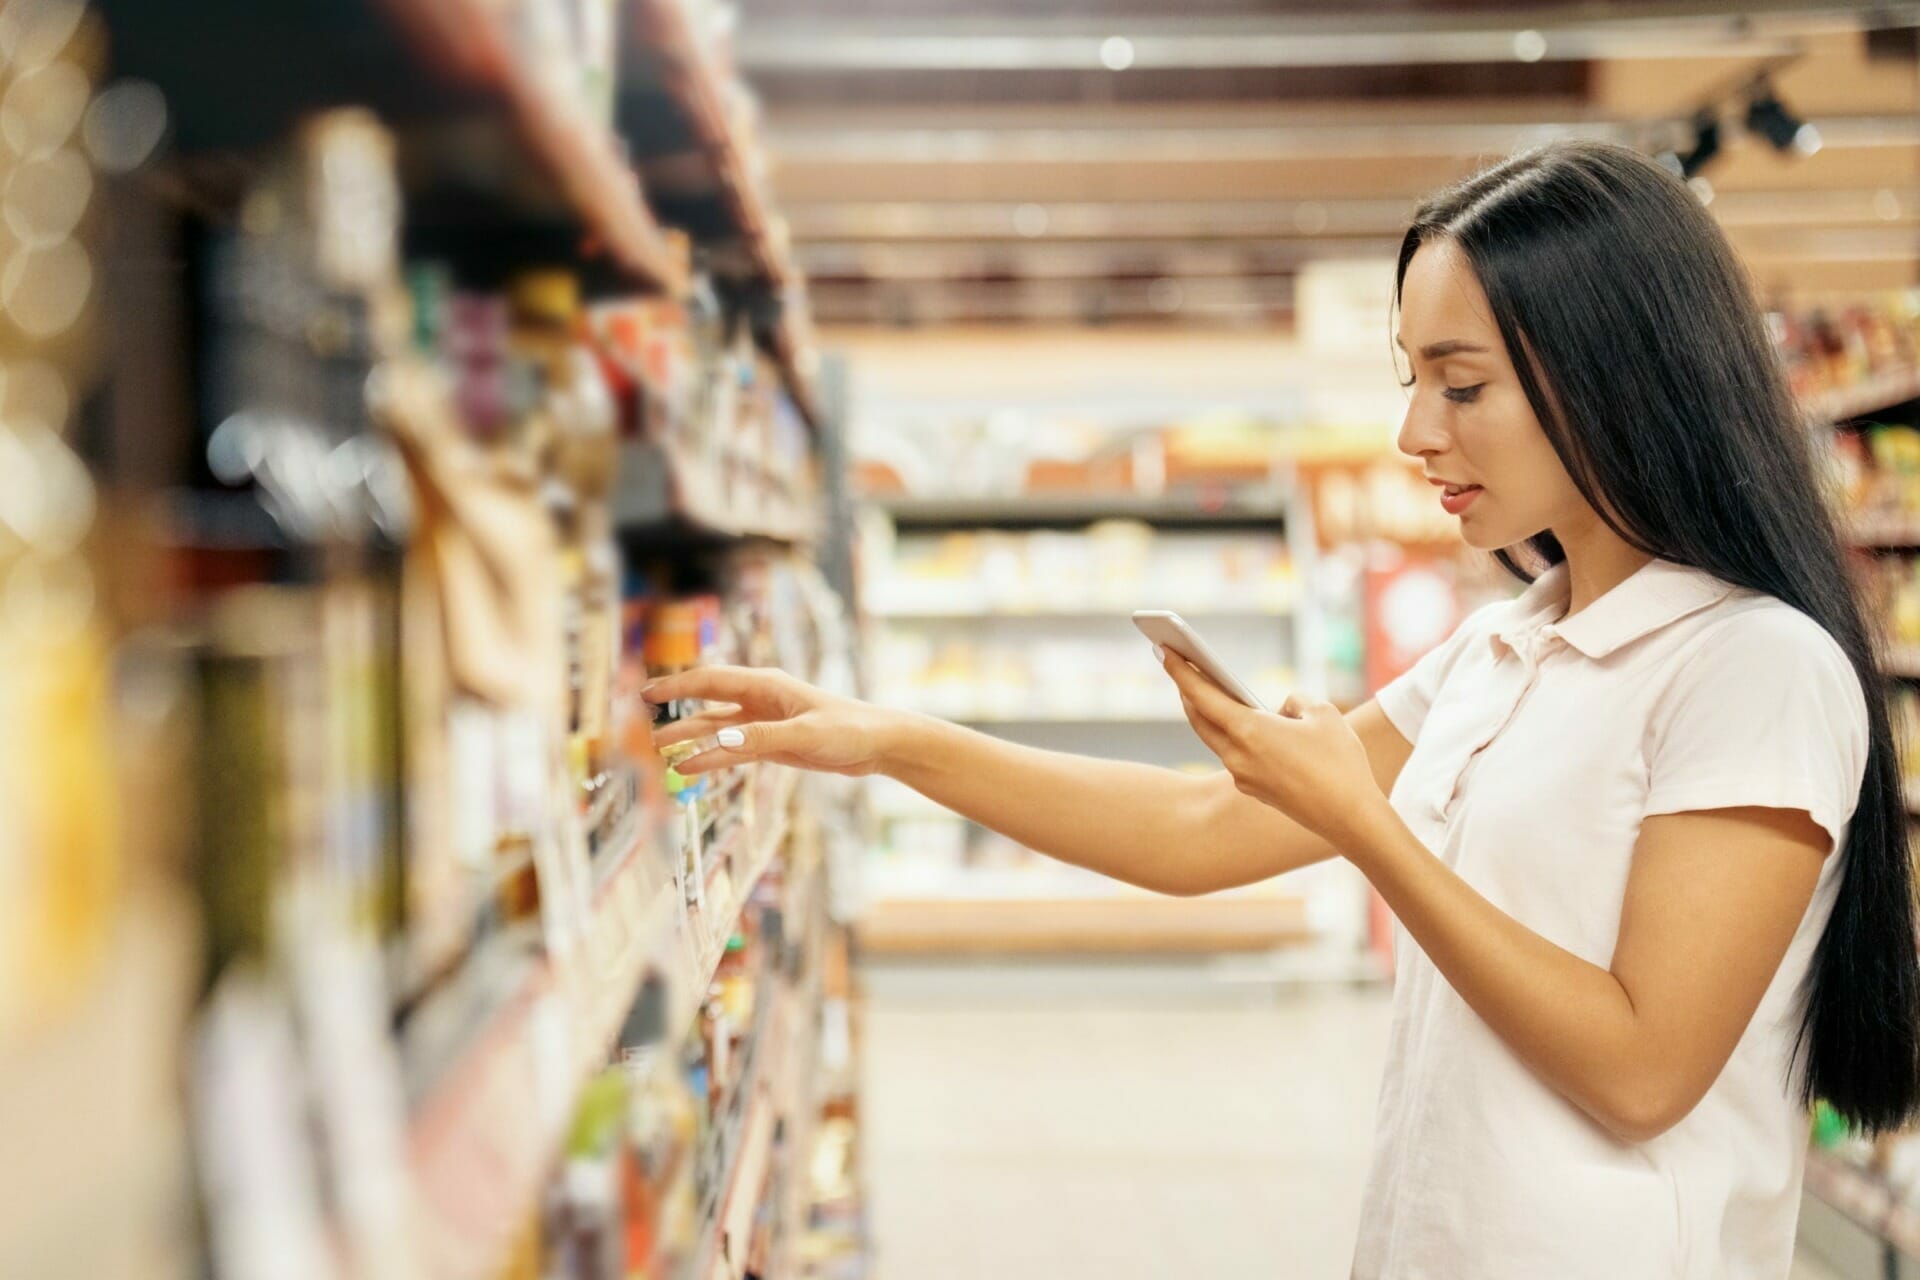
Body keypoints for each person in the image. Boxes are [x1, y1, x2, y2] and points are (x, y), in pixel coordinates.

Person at [643, 141, 1920, 1278]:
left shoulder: (1754, 666)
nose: (1415, 430)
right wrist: (884, 737)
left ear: (1615, 377)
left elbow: (1644, 1068)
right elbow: (1203, 829)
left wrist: (1366, 829)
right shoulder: (1511, 644)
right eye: (1410, 375)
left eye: (1461, 385)